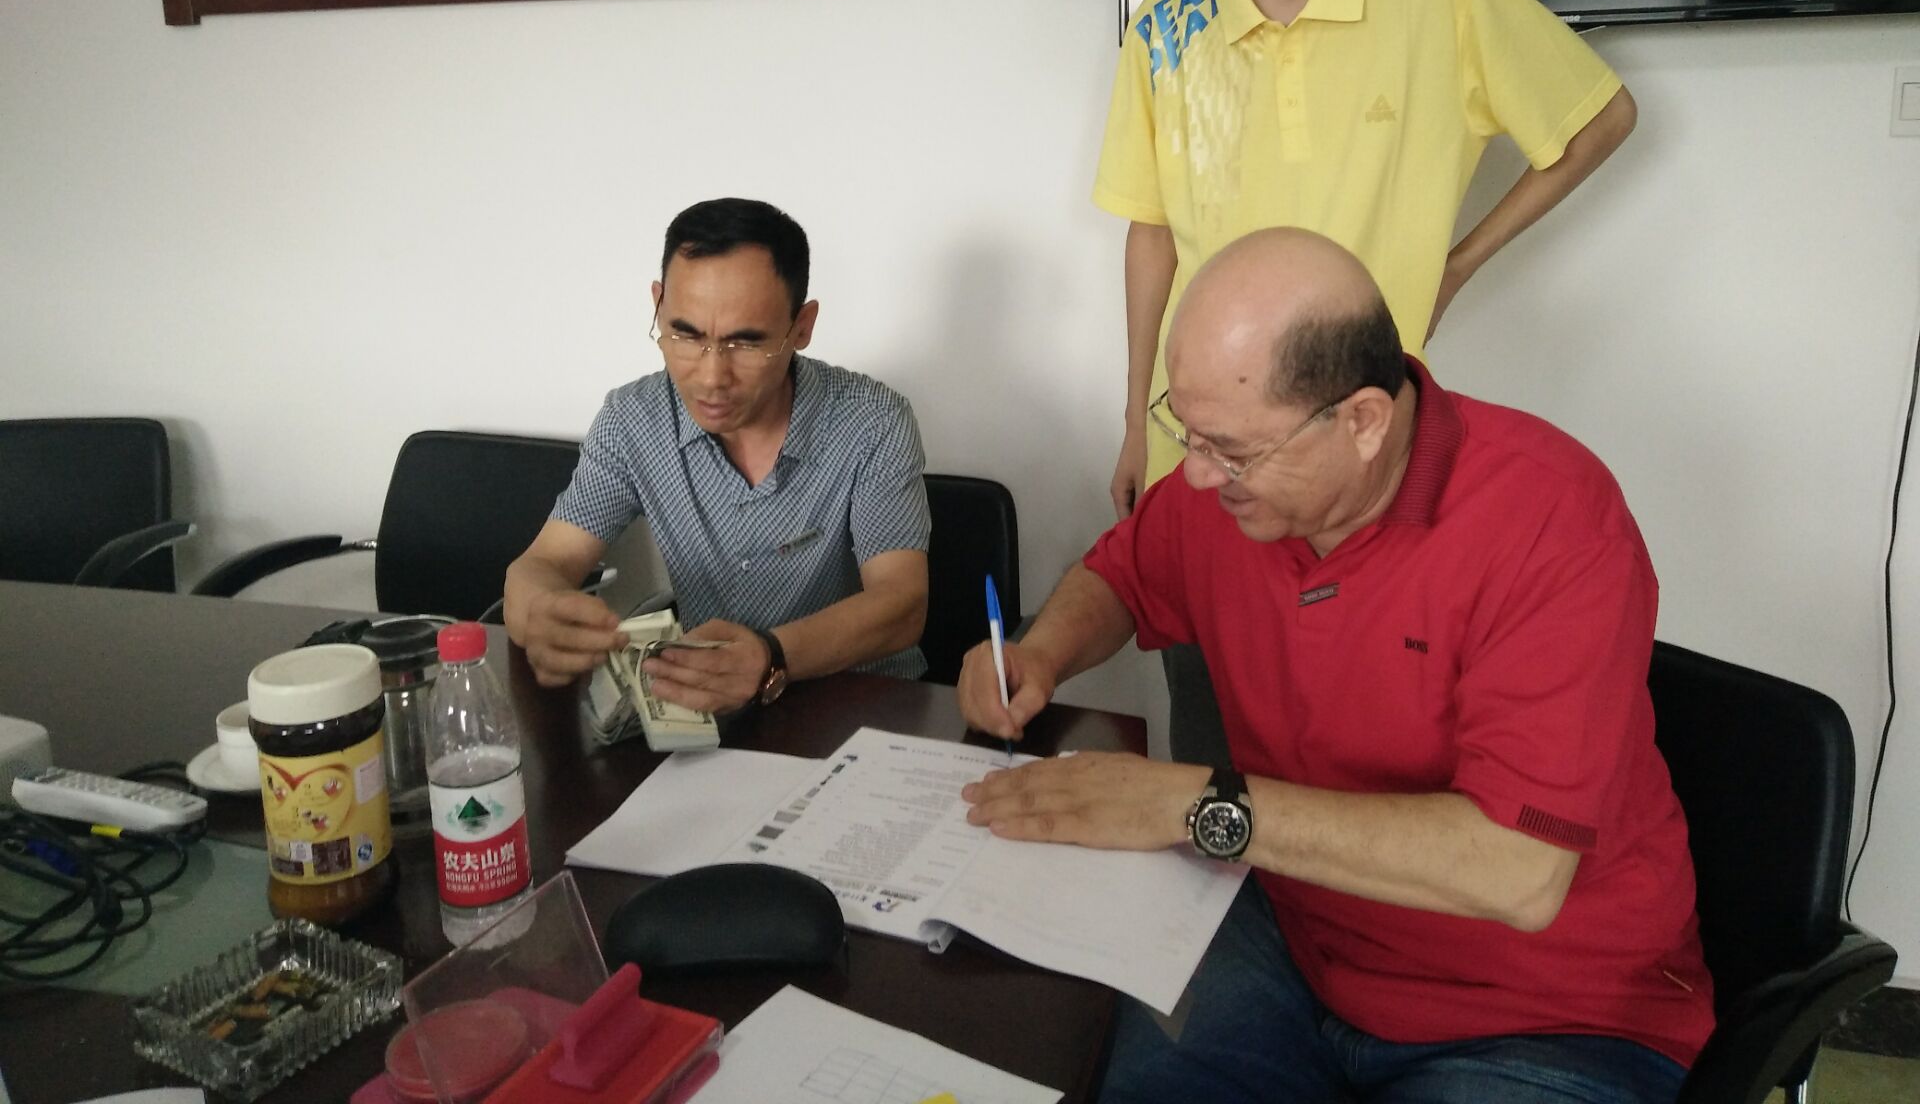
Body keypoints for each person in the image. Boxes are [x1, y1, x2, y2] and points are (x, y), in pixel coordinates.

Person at [958, 228, 1712, 1104]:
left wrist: (1190, 804)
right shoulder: (1234, 496)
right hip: (1299, 940)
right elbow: (1123, 575)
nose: (1197, 476)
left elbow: (1518, 871)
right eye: (1185, 432)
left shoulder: (1552, 522)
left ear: (1362, 421)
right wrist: (1041, 650)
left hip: (1544, 1015)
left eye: (1231, 449)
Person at [1098, 0, 1640, 762]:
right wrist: (1132, 420)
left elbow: (1598, 120)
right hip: (1201, 446)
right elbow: (1151, 230)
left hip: (1349, 449)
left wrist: (1456, 266)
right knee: (1213, 730)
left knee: (1367, 738)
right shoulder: (1167, 24)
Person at [504, 198, 929, 714]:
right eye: (685, 334)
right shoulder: (633, 420)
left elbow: (901, 604)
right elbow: (543, 564)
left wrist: (771, 657)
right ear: (658, 305)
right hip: (708, 715)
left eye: (746, 344)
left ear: (802, 326)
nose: (710, 378)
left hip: (856, 707)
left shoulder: (872, 420)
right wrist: (542, 611)